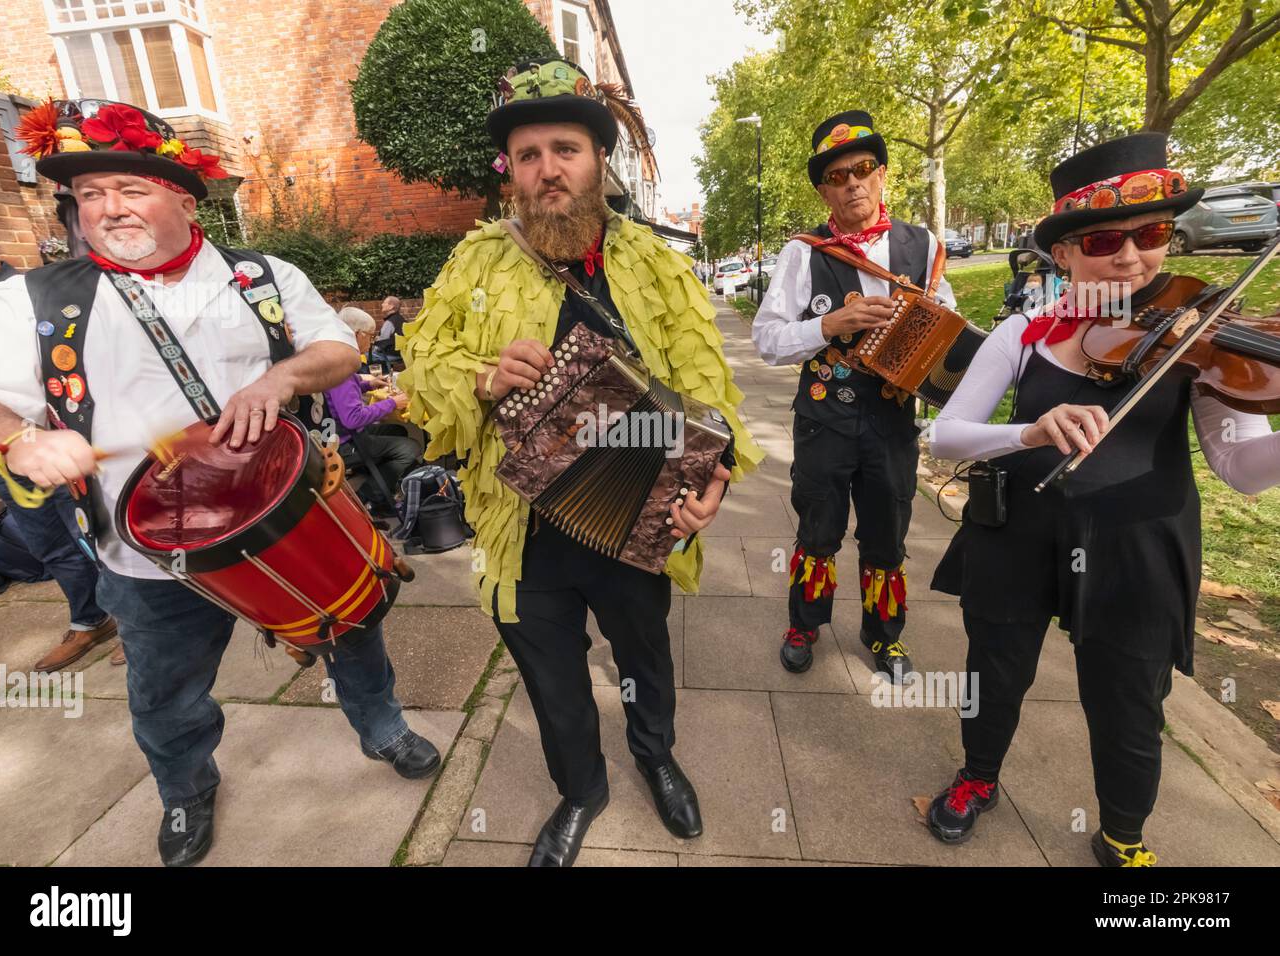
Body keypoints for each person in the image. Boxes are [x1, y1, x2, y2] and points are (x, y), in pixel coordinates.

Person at [0, 98, 440, 867]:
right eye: (89, 194)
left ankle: (383, 727)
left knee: (352, 631)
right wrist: (19, 439)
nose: (107, 208)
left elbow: (337, 350)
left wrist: (279, 380)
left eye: (130, 189)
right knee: (165, 693)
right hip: (148, 555)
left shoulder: (263, 276)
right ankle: (186, 791)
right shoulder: (33, 301)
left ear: (185, 199)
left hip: (288, 519)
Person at [401, 57, 761, 866]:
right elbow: (418, 370)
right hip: (523, 526)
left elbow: (707, 387)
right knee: (552, 681)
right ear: (512, 174)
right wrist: (483, 376)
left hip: (636, 512)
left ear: (599, 161)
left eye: (565, 149)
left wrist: (711, 479)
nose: (547, 169)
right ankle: (581, 791)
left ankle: (655, 753)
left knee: (645, 655)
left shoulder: (656, 263)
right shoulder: (477, 262)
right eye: (529, 155)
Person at [923, 133, 1280, 866]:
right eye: (1104, 241)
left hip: (1137, 545)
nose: (1129, 258)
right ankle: (977, 778)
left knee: (1128, 703)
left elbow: (1240, 467)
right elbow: (947, 437)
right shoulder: (1025, 332)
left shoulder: (1199, 334)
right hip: (1018, 535)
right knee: (993, 673)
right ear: (1064, 256)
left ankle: (1122, 833)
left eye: (1150, 235)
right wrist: (1028, 433)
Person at [752, 110, 954, 678]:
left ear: (883, 174)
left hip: (892, 425)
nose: (853, 183)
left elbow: (950, 327)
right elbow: (767, 339)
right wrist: (828, 327)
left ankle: (884, 636)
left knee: (887, 536)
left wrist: (926, 347)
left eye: (863, 169)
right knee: (817, 529)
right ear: (824, 189)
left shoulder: (925, 246)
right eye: (838, 176)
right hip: (824, 419)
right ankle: (805, 624)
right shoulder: (803, 252)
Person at [0, 217, 118, 670]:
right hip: (1, 462)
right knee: (51, 545)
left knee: (99, 538)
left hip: (60, 448)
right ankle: (90, 619)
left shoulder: (36, 296)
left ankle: (139, 623)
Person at [324, 305, 422, 507]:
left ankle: (377, 474)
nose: (372, 340)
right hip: (346, 442)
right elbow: (353, 418)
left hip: (342, 434)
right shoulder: (341, 365)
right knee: (410, 449)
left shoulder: (335, 357)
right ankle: (369, 496)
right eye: (370, 335)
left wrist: (368, 384)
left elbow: (343, 391)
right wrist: (392, 402)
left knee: (397, 430)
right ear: (356, 334)